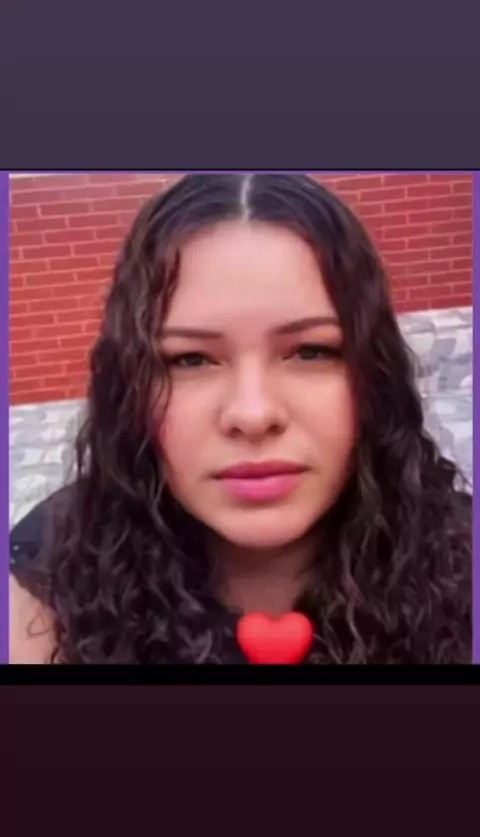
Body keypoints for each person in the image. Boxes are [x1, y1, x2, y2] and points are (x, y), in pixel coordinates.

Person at [9, 173, 472, 665]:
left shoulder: (461, 555)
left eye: (311, 351)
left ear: (375, 375)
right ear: (129, 388)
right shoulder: (51, 575)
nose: (252, 414)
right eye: (190, 359)